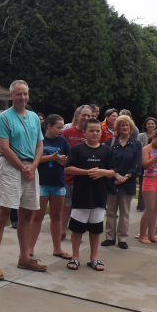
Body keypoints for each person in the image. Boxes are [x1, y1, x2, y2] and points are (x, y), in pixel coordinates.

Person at [0, 81, 45, 281]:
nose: (22, 97)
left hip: (31, 168)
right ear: (11, 96)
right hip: (12, 169)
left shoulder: (35, 117)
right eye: (18, 94)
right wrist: (23, 168)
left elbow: (39, 145)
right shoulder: (4, 118)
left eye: (25, 94)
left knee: (27, 214)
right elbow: (3, 148)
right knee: (3, 214)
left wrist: (34, 166)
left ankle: (25, 257)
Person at [63, 119, 115, 270]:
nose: (94, 133)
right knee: (77, 229)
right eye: (91, 130)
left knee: (96, 229)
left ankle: (94, 258)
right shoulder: (78, 149)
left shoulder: (106, 151)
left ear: (101, 132)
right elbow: (67, 168)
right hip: (81, 195)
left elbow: (113, 172)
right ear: (84, 132)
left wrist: (102, 172)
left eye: (97, 130)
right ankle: (75, 257)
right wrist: (87, 172)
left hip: (99, 196)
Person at [29, 114, 71, 260]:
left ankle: (57, 248)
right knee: (37, 217)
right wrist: (52, 158)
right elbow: (34, 159)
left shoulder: (63, 141)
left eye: (62, 127)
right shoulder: (39, 140)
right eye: (58, 127)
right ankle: (29, 249)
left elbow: (69, 160)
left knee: (57, 217)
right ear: (48, 126)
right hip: (41, 183)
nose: (61, 130)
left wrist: (63, 160)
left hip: (58, 183)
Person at [102, 115, 142, 249]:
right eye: (122, 125)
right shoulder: (110, 142)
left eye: (127, 125)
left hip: (128, 182)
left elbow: (137, 164)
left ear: (131, 128)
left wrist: (126, 177)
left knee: (124, 212)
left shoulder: (136, 144)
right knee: (111, 212)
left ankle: (122, 238)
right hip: (112, 181)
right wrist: (116, 175)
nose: (125, 127)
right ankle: (109, 237)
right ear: (118, 127)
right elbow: (107, 162)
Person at [61, 105, 93, 238]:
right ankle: (62, 231)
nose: (86, 118)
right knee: (66, 205)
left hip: (85, 177)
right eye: (84, 115)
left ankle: (77, 231)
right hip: (68, 176)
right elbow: (61, 151)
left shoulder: (91, 133)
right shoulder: (67, 133)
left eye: (89, 116)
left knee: (80, 207)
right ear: (77, 116)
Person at [136, 117, 157, 213]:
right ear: (145, 125)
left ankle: (152, 205)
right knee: (143, 183)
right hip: (143, 161)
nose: (151, 125)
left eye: (153, 124)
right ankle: (141, 205)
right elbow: (140, 147)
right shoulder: (141, 135)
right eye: (149, 123)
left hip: (155, 163)